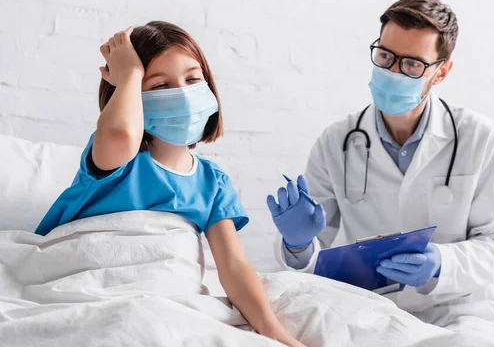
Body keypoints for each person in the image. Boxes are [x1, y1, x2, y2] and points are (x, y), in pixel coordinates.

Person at [267, 0, 494, 334]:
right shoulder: (337, 141)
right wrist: (297, 245)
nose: (393, 72)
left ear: (442, 71)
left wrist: (441, 265)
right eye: (386, 56)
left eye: (412, 64)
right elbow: (312, 258)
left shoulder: (478, 136)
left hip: (460, 311)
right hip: (370, 309)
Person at [36, 22, 304, 347]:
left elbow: (233, 266)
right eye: (160, 86)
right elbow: (121, 132)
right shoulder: (116, 156)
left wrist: (273, 330)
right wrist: (130, 75)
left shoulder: (212, 182)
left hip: (164, 293)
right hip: (93, 282)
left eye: (192, 79)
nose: (182, 94)